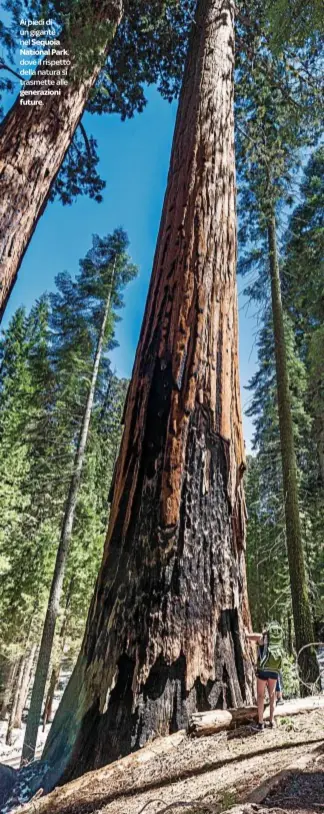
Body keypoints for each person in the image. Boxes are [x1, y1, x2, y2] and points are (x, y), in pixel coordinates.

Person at [246, 621, 283, 732]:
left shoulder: (262, 637)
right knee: (272, 695)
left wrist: (246, 632)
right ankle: (272, 721)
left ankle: (261, 723)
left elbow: (248, 636)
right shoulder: (277, 641)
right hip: (274, 670)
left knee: (261, 695)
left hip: (263, 671)